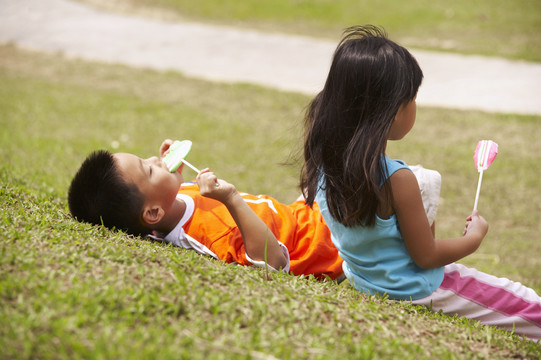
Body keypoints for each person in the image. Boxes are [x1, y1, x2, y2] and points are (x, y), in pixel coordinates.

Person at [300, 25, 541, 340]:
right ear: (392, 111)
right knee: (530, 308)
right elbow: (426, 256)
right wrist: (474, 238)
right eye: (412, 98)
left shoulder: (322, 165)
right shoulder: (398, 180)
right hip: (420, 289)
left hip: (369, 283)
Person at [68, 139, 343, 281]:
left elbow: (172, 193)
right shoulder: (207, 237)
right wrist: (232, 199)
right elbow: (274, 264)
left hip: (302, 213)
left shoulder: (171, 201)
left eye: (145, 158)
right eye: (149, 168)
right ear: (152, 214)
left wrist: (168, 166)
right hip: (325, 241)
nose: (154, 158)